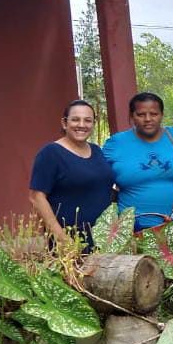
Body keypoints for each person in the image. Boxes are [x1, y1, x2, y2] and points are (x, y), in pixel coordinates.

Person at [103, 92, 173, 241]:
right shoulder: (116, 144)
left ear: (162, 115)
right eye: (141, 114)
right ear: (132, 116)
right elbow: (98, 180)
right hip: (134, 231)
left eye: (154, 114)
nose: (148, 119)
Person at [29, 100, 115, 251]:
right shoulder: (51, 153)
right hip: (70, 241)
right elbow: (36, 197)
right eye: (75, 119)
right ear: (64, 123)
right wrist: (61, 237)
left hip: (104, 238)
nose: (81, 125)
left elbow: (103, 187)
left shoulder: (96, 151)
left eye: (88, 120)